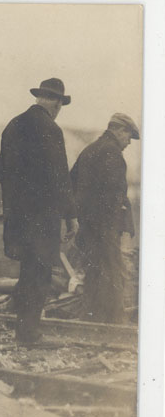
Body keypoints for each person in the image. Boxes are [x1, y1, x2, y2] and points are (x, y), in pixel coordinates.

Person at [1, 78, 78, 344]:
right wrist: (71, 216)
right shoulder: (50, 129)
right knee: (40, 273)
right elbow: (60, 177)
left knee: (26, 272)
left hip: (17, 218)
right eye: (60, 104)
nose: (59, 108)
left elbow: (5, 175)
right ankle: (30, 333)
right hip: (43, 218)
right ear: (56, 102)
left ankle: (23, 331)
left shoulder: (12, 126)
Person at [70, 113, 139, 324]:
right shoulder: (113, 154)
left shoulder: (88, 151)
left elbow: (71, 183)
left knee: (93, 274)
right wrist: (120, 225)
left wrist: (81, 216)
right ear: (118, 130)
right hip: (106, 226)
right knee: (112, 274)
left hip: (88, 226)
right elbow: (115, 195)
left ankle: (92, 320)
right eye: (128, 136)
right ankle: (112, 323)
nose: (128, 142)